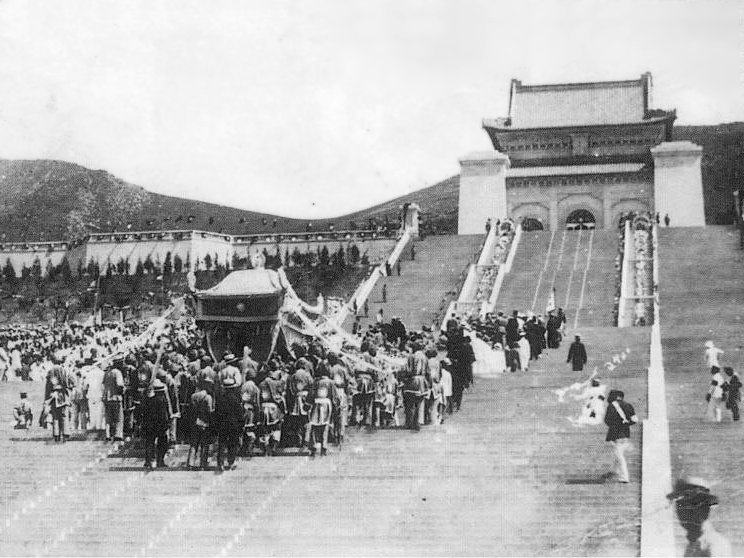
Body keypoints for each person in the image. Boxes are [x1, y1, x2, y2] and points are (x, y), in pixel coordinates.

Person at [667, 477, 731, 557]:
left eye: (688, 507)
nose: (681, 513)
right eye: (679, 506)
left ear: (704, 509)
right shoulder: (693, 544)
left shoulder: (713, 544)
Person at [604, 389, 637, 483]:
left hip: (615, 434)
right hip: (625, 434)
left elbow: (607, 420)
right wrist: (625, 424)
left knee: (619, 455)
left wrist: (615, 425)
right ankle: (613, 471)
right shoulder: (628, 405)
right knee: (618, 453)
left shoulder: (611, 406)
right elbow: (635, 420)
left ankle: (624, 477)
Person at [140, 378, 172, 469]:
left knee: (149, 443)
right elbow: (164, 414)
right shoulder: (161, 399)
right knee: (162, 443)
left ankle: (148, 461)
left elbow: (142, 411)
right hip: (160, 424)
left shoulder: (146, 399)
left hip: (149, 424)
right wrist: (167, 423)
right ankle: (160, 461)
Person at [102, 359, 125, 442]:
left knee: (108, 417)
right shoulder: (117, 372)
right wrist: (123, 390)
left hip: (107, 397)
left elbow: (103, 383)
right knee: (118, 417)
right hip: (115, 397)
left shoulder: (107, 372)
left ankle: (108, 434)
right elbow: (119, 384)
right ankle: (117, 434)